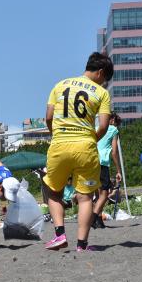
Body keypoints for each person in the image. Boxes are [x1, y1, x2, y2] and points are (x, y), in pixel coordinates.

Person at [43, 52, 113, 252]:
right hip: (85, 146)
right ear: (100, 72)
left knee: (53, 191)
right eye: (105, 79)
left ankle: (59, 235)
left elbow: (48, 117)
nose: (104, 83)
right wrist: (91, 139)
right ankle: (81, 245)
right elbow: (104, 125)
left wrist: (56, 135)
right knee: (85, 197)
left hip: (59, 144)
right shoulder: (101, 93)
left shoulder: (60, 84)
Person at [92, 113, 123, 228]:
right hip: (102, 163)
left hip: (91, 161)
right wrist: (118, 170)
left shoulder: (96, 128)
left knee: (97, 194)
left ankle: (99, 220)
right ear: (113, 120)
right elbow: (114, 152)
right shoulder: (113, 129)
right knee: (104, 194)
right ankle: (94, 217)